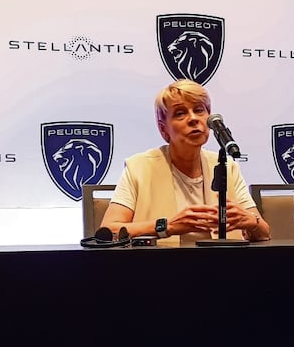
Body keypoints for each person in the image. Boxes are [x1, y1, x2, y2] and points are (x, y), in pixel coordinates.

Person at [100, 79, 270, 245]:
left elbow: (264, 232)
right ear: (163, 129)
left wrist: (250, 221)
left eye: (199, 110)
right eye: (180, 113)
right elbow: (110, 230)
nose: (193, 119)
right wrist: (168, 226)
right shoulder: (139, 167)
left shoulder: (227, 167)